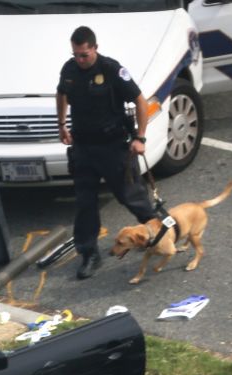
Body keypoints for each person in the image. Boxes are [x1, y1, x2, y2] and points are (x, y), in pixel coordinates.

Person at [56, 26, 156, 279]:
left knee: (131, 196)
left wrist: (140, 137)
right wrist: (62, 125)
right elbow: (61, 94)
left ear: (95, 48)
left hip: (113, 147)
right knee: (85, 203)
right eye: (76, 54)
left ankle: (158, 236)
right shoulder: (69, 70)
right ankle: (89, 253)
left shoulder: (111, 70)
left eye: (84, 55)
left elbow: (140, 102)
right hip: (83, 148)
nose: (80, 60)